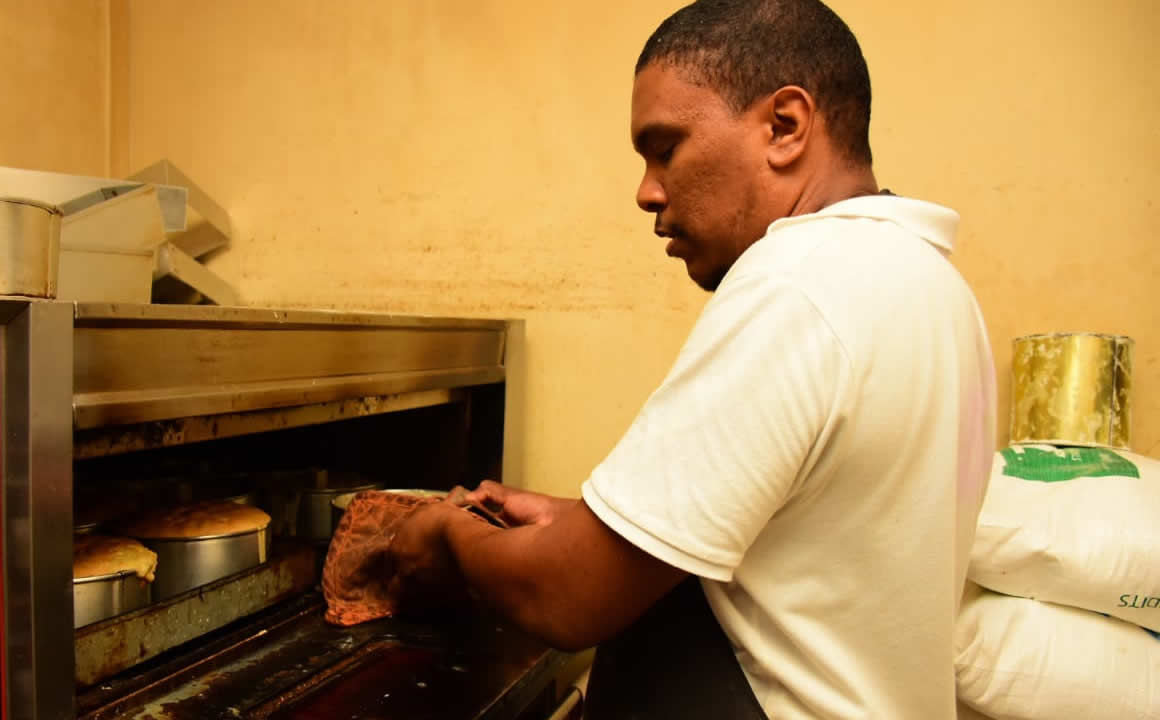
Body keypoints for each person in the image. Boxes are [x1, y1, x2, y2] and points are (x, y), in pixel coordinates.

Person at [390, 0, 997, 717]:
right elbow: (810, 543)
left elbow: (567, 600)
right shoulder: (928, 281)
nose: (647, 190)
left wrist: (446, 532)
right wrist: (573, 520)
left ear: (786, 127)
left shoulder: (798, 280)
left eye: (665, 147)